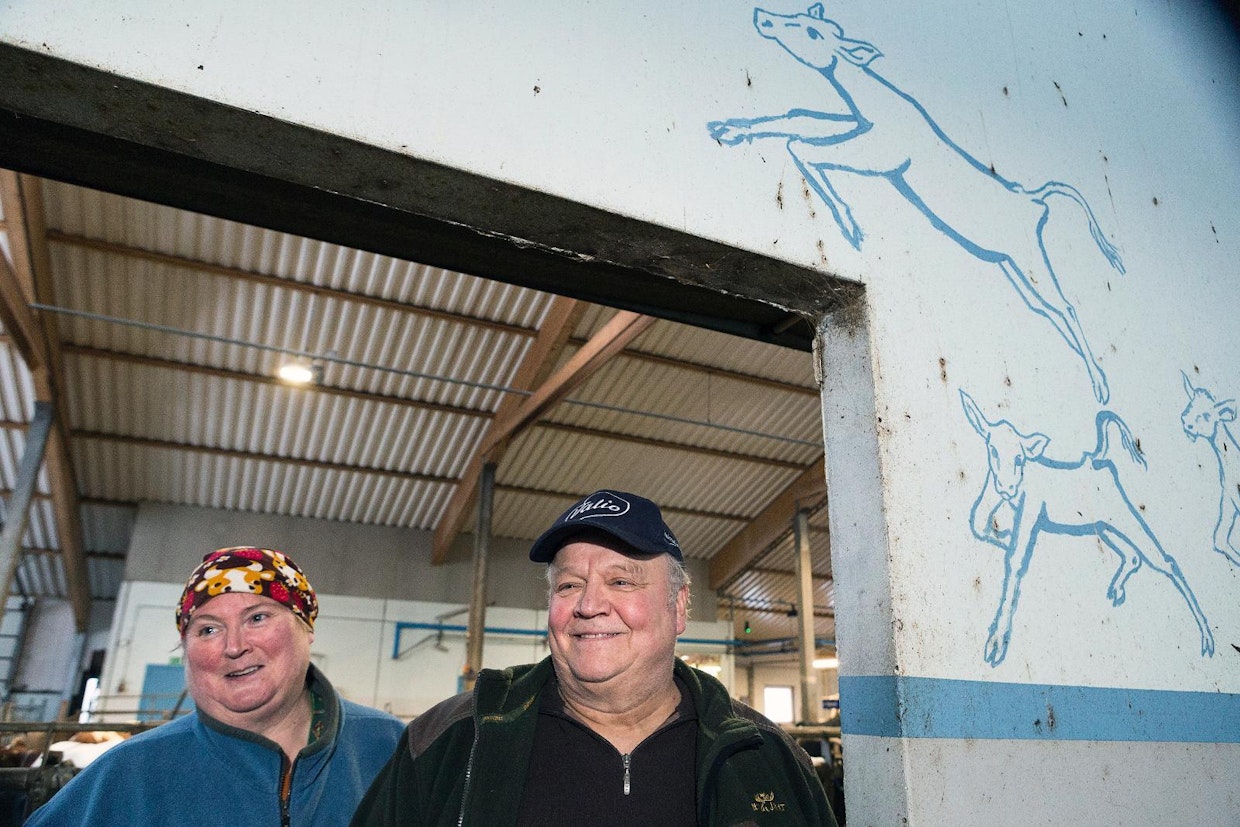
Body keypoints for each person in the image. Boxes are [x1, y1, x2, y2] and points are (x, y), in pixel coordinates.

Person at [352, 490, 838, 826]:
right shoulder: (452, 740)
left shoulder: (766, 757)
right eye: (569, 585)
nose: (588, 605)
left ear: (679, 606)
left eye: (621, 581)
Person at [26, 546, 406, 826]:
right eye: (208, 629)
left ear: (306, 628)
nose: (234, 646)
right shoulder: (130, 772)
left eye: (257, 618)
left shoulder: (393, 748)